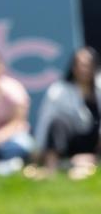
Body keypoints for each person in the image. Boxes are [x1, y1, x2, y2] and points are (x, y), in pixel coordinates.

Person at [27, 46, 100, 180]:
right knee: (57, 123)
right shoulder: (58, 91)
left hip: (96, 142)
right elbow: (45, 121)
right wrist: (37, 151)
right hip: (71, 142)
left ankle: (91, 161)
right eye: (80, 65)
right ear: (73, 67)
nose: (83, 69)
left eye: (87, 65)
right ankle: (51, 168)